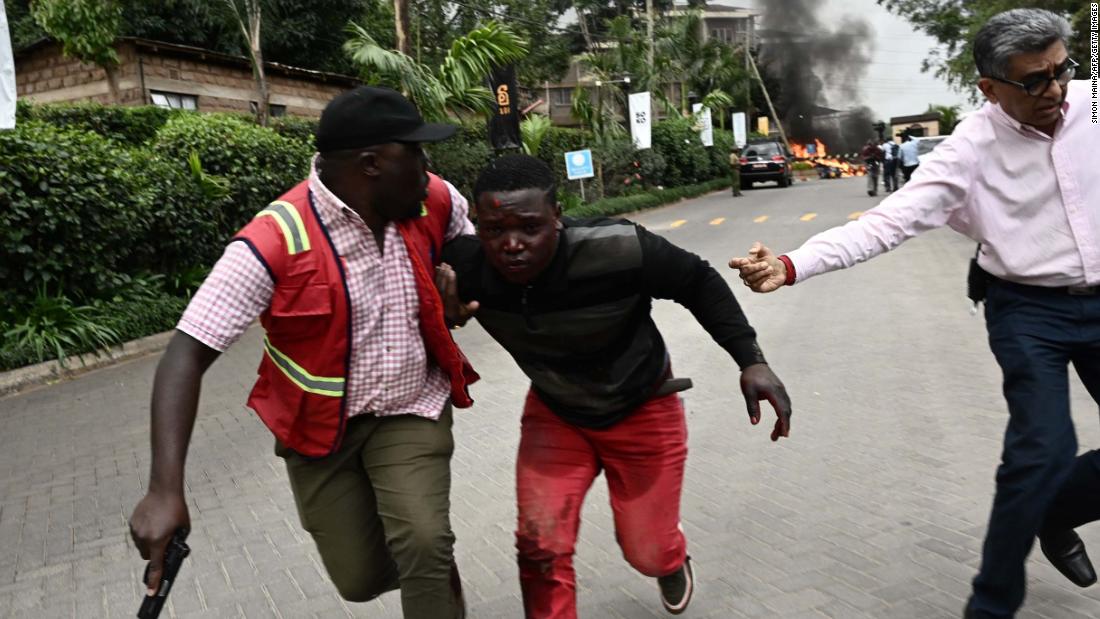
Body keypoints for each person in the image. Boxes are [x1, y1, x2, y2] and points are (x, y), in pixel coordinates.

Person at [729, 9, 1099, 618]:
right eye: (1034, 81)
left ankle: (1054, 512)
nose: (1056, 90)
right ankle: (991, 605)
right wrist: (792, 264)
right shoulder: (968, 152)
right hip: (1029, 311)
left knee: (1046, 482)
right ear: (990, 88)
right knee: (1040, 451)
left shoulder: (1093, 105)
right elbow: (886, 223)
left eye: (1062, 71)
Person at [128, 86, 480, 619]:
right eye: (416, 154)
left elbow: (464, 244)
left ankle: (428, 566)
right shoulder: (275, 238)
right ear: (371, 165)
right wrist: (164, 489)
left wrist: (455, 288)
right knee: (358, 579)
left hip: (412, 406)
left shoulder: (433, 198)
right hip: (319, 433)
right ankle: (422, 565)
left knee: (425, 542)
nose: (429, 168)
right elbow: (185, 354)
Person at [437, 154, 792, 619]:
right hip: (557, 413)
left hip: (643, 404)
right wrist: (444, 314)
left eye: (528, 227)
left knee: (646, 550)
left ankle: (669, 558)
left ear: (557, 218)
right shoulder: (465, 268)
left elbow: (698, 281)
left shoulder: (618, 246)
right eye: (492, 229)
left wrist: (751, 360)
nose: (511, 245)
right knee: (540, 545)